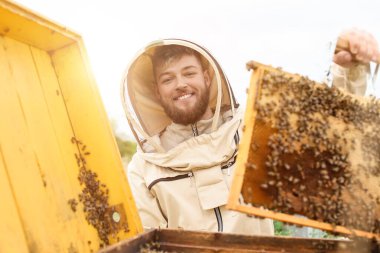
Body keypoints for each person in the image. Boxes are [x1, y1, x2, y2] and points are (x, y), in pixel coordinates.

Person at [121, 29, 379, 234]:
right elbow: (146, 240)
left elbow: (324, 131)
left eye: (189, 73)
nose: (180, 84)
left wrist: (348, 69)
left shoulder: (251, 128)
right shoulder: (144, 168)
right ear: (157, 92)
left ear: (208, 78)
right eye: (168, 79)